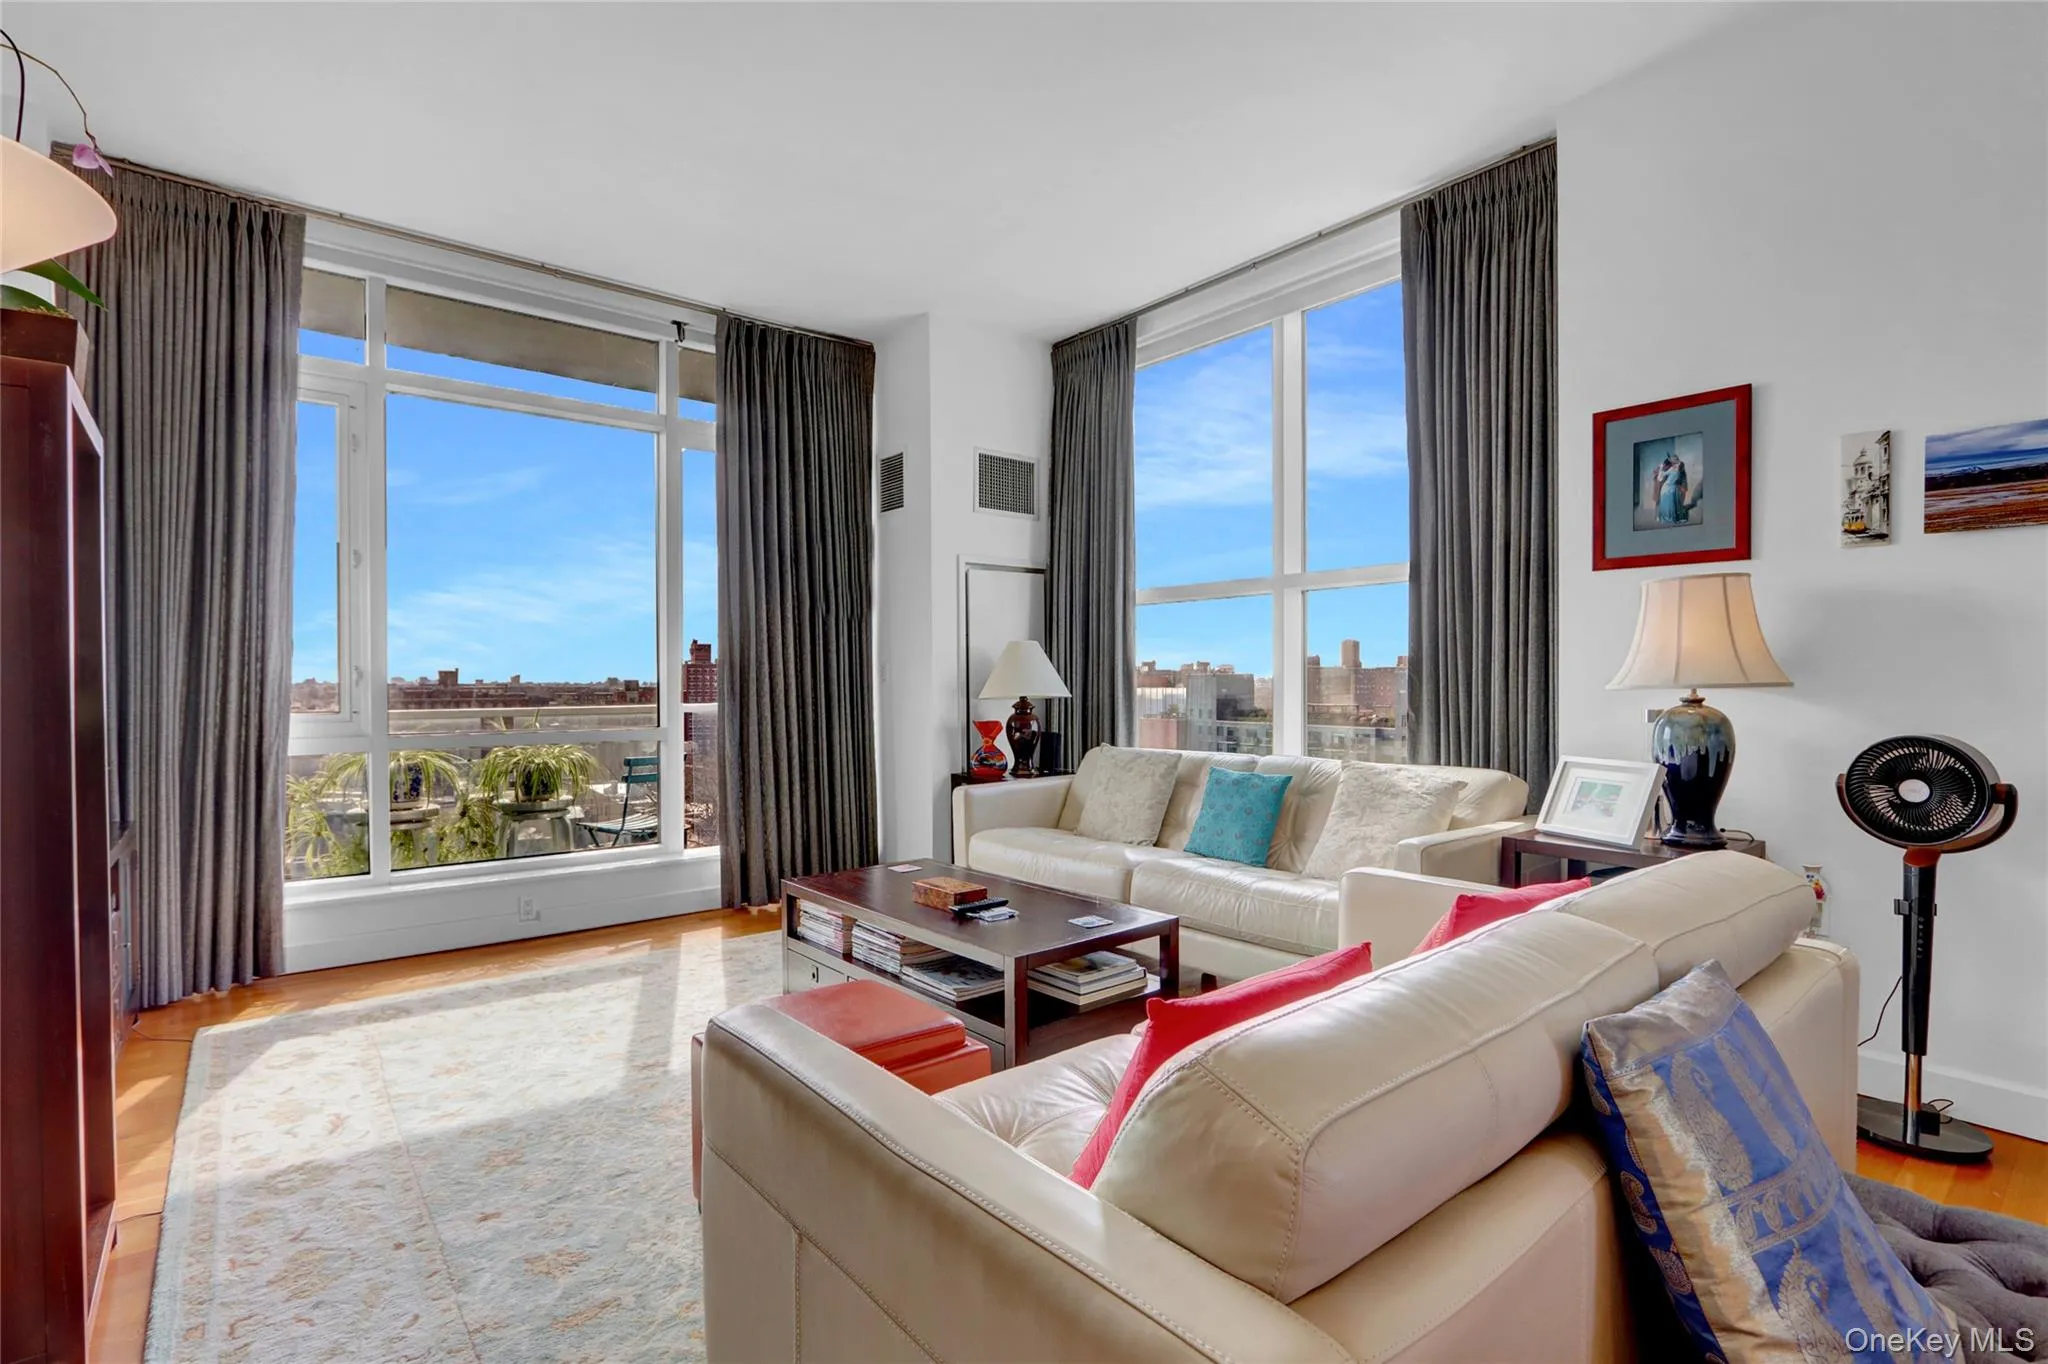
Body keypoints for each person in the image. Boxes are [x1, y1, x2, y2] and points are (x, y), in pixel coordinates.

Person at [1655, 450, 1690, 525]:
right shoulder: (1678, 467)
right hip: (1671, 488)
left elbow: (1661, 477)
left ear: (1674, 462)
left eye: (1672, 461)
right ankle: (1671, 517)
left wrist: (1661, 468)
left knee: (1670, 504)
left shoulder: (1674, 468)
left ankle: (1667, 517)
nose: (1671, 463)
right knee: (1671, 503)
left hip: (1668, 488)